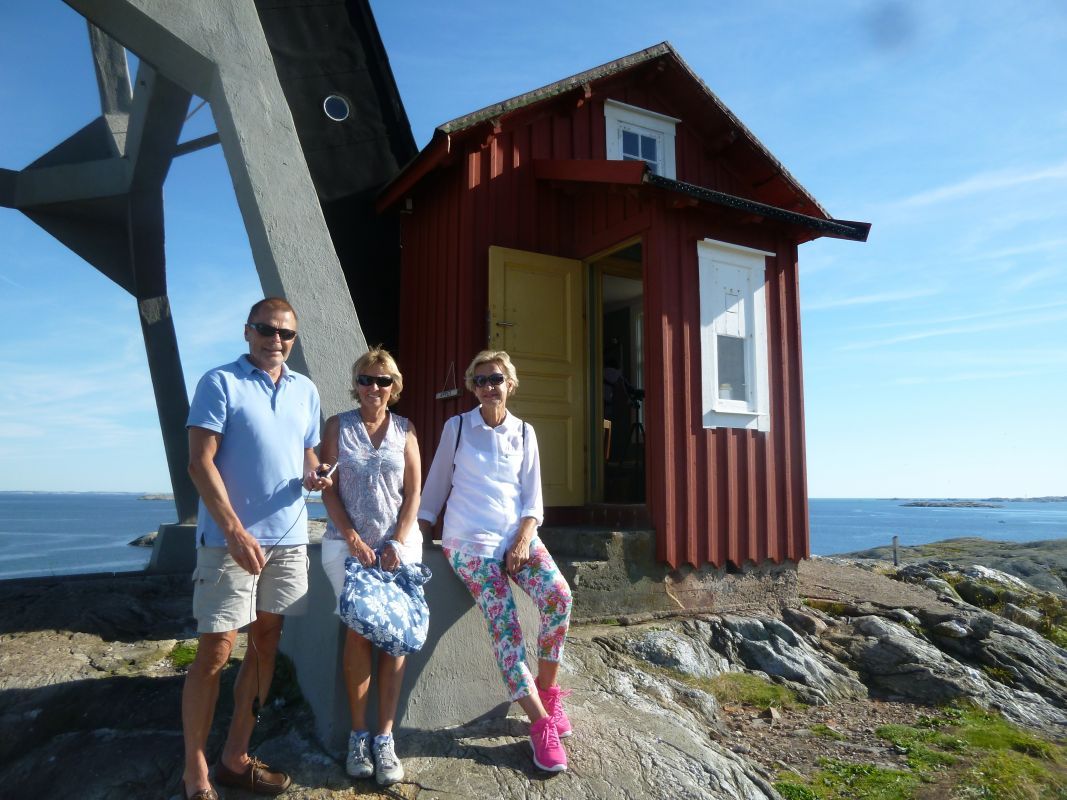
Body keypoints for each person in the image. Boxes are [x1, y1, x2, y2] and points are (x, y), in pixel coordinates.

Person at [181, 297, 331, 800]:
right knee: (216, 651)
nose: (276, 340)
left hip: (288, 539)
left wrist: (315, 474)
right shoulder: (219, 382)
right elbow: (199, 463)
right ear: (248, 332)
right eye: (266, 330)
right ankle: (195, 772)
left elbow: (306, 451)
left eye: (286, 334)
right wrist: (234, 531)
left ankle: (235, 757)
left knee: (266, 644)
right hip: (229, 541)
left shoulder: (305, 389)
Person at [418, 350, 573, 773]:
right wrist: (422, 528)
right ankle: (540, 724)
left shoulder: (524, 432)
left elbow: (532, 501)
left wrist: (523, 539)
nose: (489, 386)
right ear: (472, 387)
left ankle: (548, 694)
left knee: (559, 597)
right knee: (507, 626)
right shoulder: (457, 427)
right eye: (481, 380)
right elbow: (437, 484)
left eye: (497, 379)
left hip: (517, 538)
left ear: (511, 384)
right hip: (468, 545)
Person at [318, 347, 422, 786]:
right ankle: (358, 735)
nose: (374, 387)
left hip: (398, 548)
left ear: (394, 386)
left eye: (383, 381)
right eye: (366, 379)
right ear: (355, 383)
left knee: (394, 637)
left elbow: (413, 493)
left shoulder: (406, 429)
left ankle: (385, 738)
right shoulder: (337, 426)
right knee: (359, 632)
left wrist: (397, 540)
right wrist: (354, 539)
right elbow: (328, 489)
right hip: (347, 547)